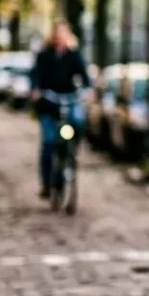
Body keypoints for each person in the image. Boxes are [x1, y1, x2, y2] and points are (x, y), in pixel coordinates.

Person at [30, 22, 89, 199]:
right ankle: (46, 182)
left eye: (64, 33)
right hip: (49, 105)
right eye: (58, 33)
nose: (60, 36)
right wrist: (36, 89)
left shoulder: (74, 55)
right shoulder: (44, 55)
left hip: (68, 100)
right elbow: (35, 75)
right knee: (48, 142)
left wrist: (88, 88)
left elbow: (84, 76)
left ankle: (73, 151)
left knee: (78, 120)